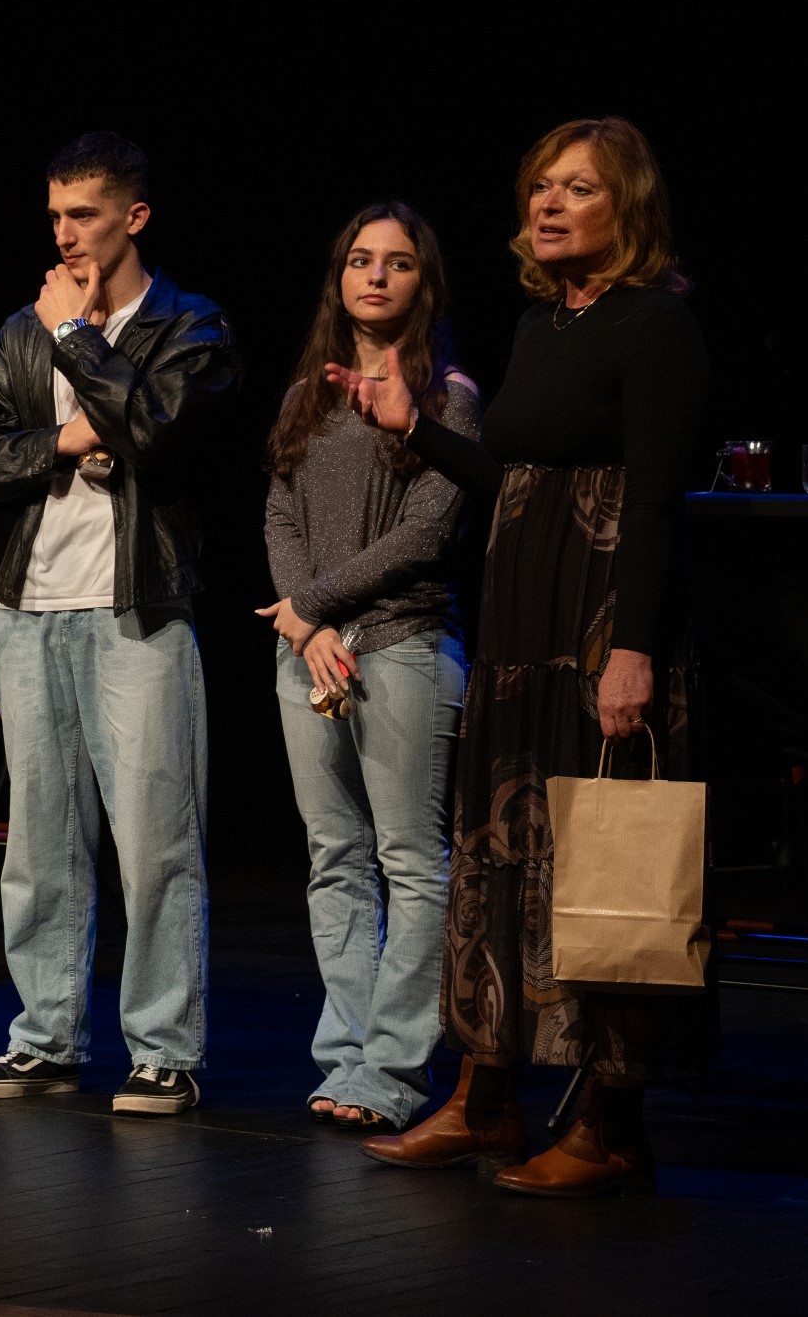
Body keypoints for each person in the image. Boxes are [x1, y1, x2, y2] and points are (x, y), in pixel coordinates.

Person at [335, 116, 709, 1197]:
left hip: (598, 625)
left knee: (603, 860)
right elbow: (513, 480)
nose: (548, 203)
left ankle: (610, 1122)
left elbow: (655, 498)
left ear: (626, 205)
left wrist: (632, 648)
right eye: (541, 186)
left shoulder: (656, 322)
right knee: (499, 857)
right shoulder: (543, 323)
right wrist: (414, 429)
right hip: (517, 630)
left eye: (577, 188)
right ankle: (486, 1092)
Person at [0, 130, 239, 1115]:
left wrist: (77, 338)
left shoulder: (190, 323)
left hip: (136, 607)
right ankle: (46, 1037)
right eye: (55, 217)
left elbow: (159, 431)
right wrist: (69, 440)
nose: (65, 235)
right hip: (29, 609)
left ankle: (163, 1049)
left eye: (84, 215)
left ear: (134, 216)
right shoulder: (20, 329)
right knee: (40, 841)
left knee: (156, 837)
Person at [259, 203, 478, 1131]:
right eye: (359, 260)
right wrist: (306, 626)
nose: (375, 276)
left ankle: (393, 1068)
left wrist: (314, 606)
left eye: (397, 262)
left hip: (402, 647)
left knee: (410, 861)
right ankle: (345, 1054)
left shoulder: (448, 396)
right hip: (310, 654)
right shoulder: (307, 393)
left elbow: (427, 532)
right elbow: (280, 513)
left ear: (424, 281)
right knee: (335, 859)